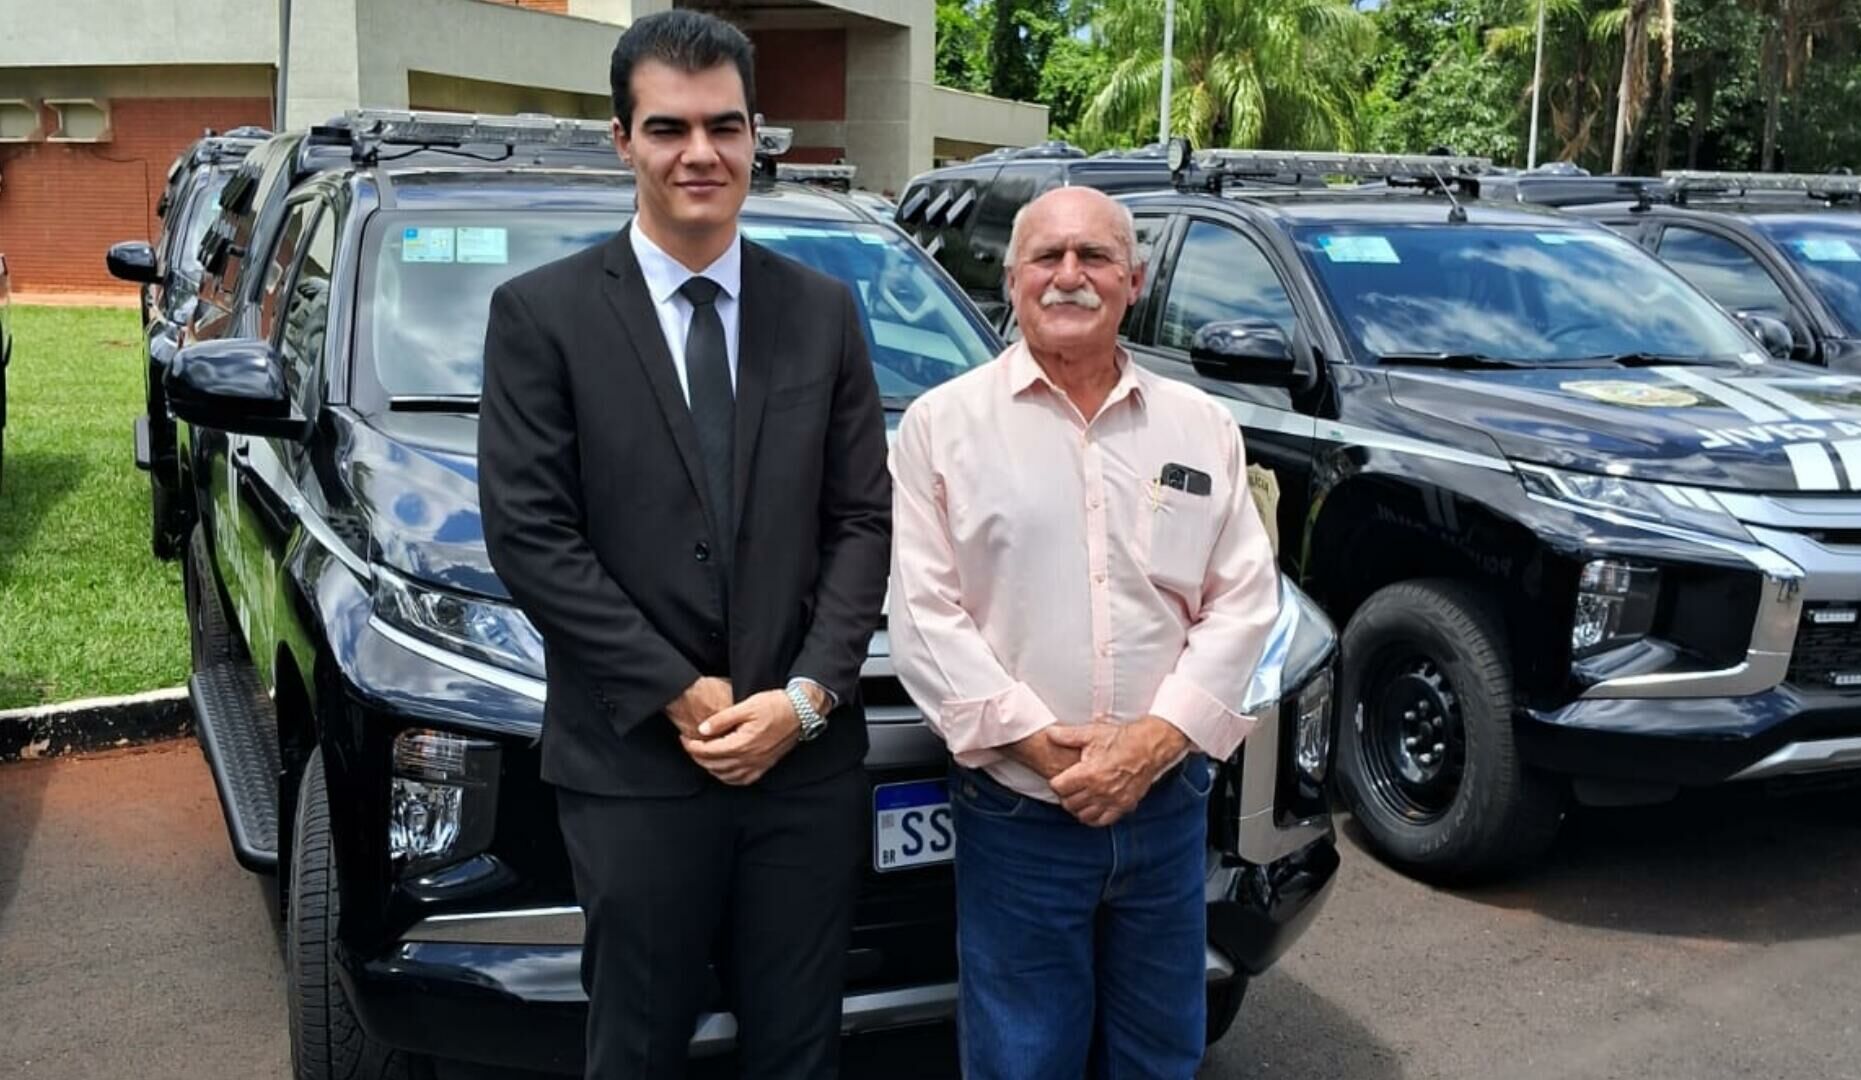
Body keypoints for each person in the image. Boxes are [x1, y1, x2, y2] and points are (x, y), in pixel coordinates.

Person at [476, 11, 891, 1079]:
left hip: (803, 771)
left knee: (801, 1049)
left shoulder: (826, 313)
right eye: (668, 128)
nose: (699, 153)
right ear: (623, 141)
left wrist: (806, 699)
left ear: (760, 138)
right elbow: (532, 536)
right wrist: (680, 691)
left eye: (725, 126)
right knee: (639, 1047)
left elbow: (860, 522)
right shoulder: (541, 317)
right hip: (635, 771)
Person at [888, 185, 1281, 1079]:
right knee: (1023, 1057)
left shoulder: (1201, 428)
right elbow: (923, 612)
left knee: (1161, 1051)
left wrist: (1153, 744)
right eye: (1048, 258)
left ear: (1134, 279)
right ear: (1012, 278)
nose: (1071, 276)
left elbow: (1244, 599)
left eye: (1095, 257)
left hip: (1166, 804)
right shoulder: (940, 429)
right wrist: (1041, 747)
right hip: (1019, 813)